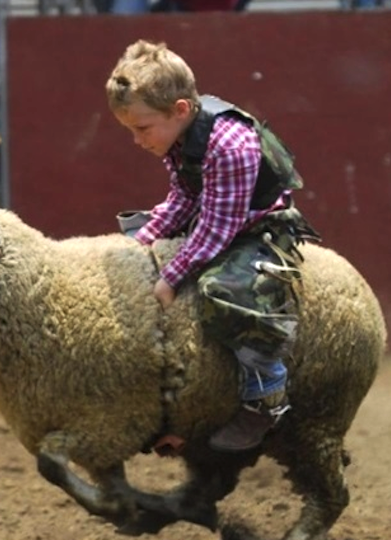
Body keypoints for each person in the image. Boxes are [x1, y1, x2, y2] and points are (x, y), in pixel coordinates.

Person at [106, 40, 320, 452]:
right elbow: (185, 197)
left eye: (142, 128)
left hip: (256, 228)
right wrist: (144, 240)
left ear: (180, 110)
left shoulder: (230, 146)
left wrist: (170, 277)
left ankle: (266, 391)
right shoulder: (181, 135)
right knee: (134, 235)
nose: (136, 140)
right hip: (215, 215)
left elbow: (218, 231)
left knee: (223, 292)